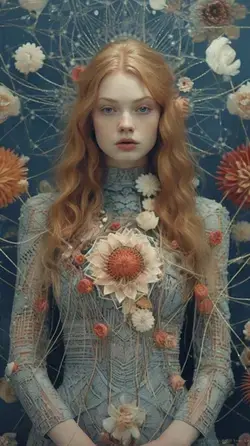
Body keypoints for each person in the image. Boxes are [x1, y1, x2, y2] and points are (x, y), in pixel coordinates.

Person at [5, 39, 234, 446]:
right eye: (108, 109)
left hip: (179, 436)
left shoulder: (204, 219)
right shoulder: (47, 217)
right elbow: (24, 359)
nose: (125, 123)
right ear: (88, 118)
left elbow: (216, 364)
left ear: (163, 116)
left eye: (142, 108)